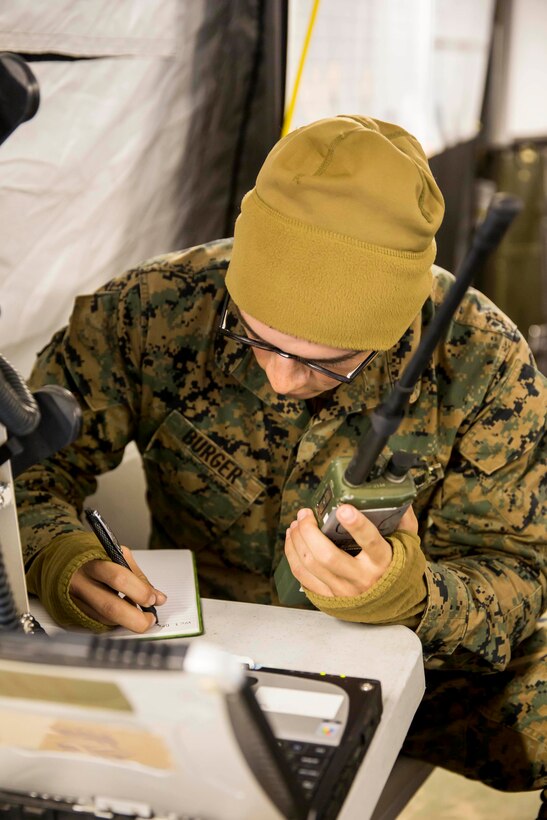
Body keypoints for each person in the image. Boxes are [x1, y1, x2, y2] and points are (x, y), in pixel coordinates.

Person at [15, 115, 546, 802]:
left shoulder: (483, 361)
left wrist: (411, 596)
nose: (282, 380)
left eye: (328, 363)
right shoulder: (151, 310)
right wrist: (57, 552)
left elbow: (516, 578)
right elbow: (22, 470)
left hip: (414, 666)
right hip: (190, 649)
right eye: (258, 339)